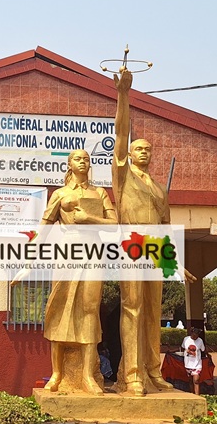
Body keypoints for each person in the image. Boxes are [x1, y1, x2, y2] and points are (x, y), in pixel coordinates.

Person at [112, 66, 197, 397]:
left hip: (155, 249)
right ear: (130, 154)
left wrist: (176, 263)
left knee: (152, 312)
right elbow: (121, 135)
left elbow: (165, 229)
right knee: (132, 307)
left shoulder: (160, 189)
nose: (144, 152)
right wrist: (123, 95)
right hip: (131, 245)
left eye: (148, 149)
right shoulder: (123, 176)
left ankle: (151, 369)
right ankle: (131, 374)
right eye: (139, 149)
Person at [12, 149, 117, 395]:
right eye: (78, 159)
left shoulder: (100, 192)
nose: (83, 162)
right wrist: (28, 263)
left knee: (90, 308)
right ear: (69, 164)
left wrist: (89, 219)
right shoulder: (59, 194)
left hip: (93, 252)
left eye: (87, 159)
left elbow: (114, 225)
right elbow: (44, 228)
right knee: (58, 308)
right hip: (67, 250)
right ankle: (57, 373)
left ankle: (87, 375)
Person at [182, 328, 206, 395]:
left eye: (197, 335)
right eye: (194, 335)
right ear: (191, 333)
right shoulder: (186, 339)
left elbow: (203, 350)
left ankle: (197, 395)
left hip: (197, 364)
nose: (195, 337)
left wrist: (208, 355)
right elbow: (183, 348)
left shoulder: (200, 341)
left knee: (196, 381)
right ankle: (192, 394)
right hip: (187, 364)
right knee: (190, 381)